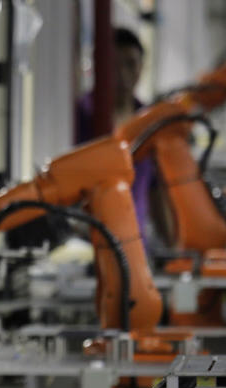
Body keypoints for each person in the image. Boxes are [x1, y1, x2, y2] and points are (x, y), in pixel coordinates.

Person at [75, 26, 162, 237]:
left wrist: (175, 248)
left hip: (137, 243)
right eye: (113, 65)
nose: (122, 74)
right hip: (89, 243)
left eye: (130, 64)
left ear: (142, 67)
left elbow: (157, 188)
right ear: (98, 67)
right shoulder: (81, 116)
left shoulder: (149, 122)